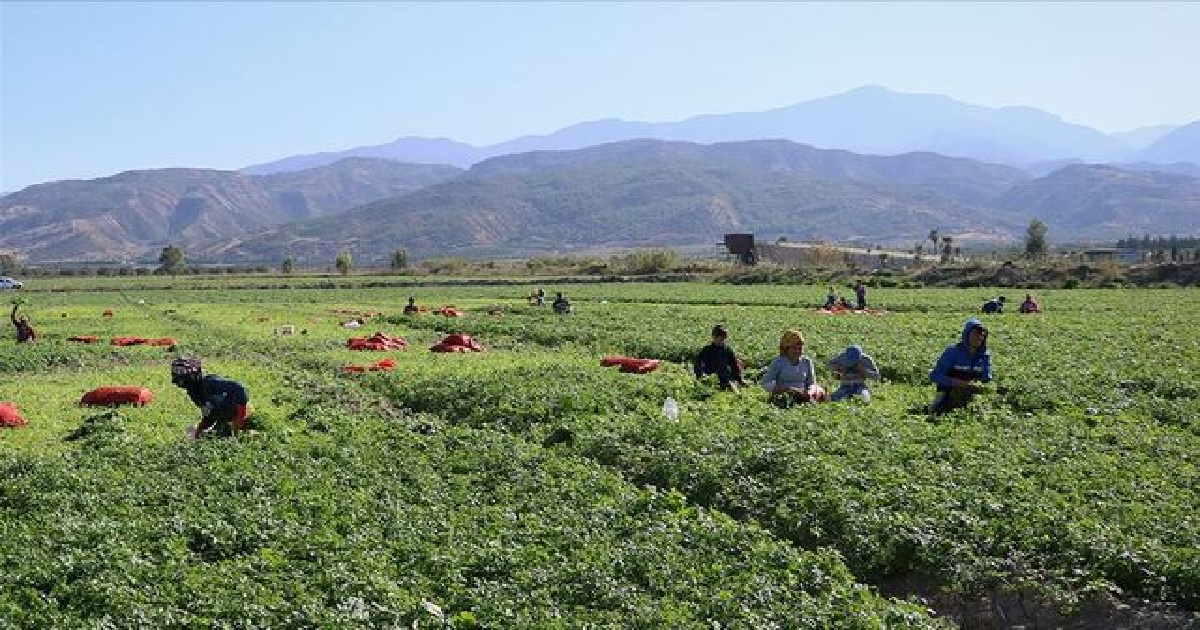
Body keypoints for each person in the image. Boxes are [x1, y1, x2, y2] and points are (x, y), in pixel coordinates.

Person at [171, 357, 251, 438]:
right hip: (225, 421)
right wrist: (199, 429)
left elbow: (239, 388)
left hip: (242, 418)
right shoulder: (193, 392)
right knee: (200, 435)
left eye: (181, 371)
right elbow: (210, 414)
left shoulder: (209, 383)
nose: (178, 375)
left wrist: (240, 418)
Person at [929, 319, 992, 415]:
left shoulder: (984, 356)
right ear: (967, 335)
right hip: (948, 393)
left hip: (972, 394)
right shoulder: (952, 352)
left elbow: (986, 379)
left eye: (982, 335)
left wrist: (991, 387)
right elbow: (935, 376)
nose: (979, 337)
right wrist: (957, 383)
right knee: (940, 412)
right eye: (975, 334)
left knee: (980, 414)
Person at [761, 329, 826, 405]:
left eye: (800, 348)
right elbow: (766, 383)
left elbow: (812, 383)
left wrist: (810, 392)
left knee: (819, 391)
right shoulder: (778, 362)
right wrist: (786, 390)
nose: (798, 351)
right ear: (787, 348)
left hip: (803, 393)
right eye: (794, 348)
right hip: (784, 394)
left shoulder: (807, 361)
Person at [693, 325, 746, 391]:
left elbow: (734, 366)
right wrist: (700, 377)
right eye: (720, 339)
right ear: (714, 337)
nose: (722, 341)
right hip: (711, 378)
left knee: (733, 389)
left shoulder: (727, 350)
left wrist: (740, 380)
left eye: (724, 339)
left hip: (725, 377)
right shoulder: (707, 350)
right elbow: (697, 365)